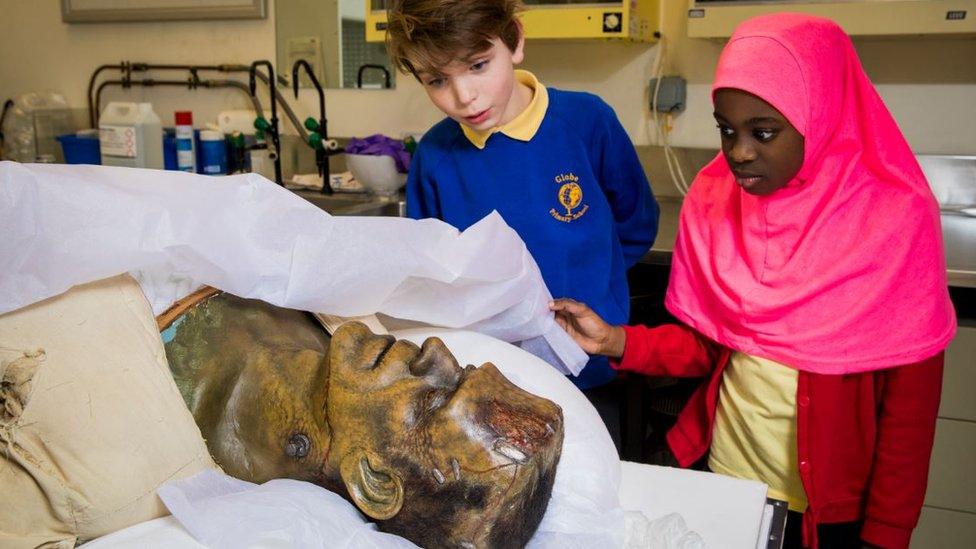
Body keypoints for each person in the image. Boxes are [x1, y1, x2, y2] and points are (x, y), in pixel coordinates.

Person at [550, 13, 956, 549]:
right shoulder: (717, 200)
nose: (738, 151)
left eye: (764, 132)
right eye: (726, 129)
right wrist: (615, 339)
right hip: (727, 478)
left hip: (829, 512)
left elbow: (909, 414)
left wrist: (886, 533)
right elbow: (710, 349)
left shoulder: (894, 221)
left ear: (822, 115)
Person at [385, 0, 660, 442]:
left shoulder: (588, 122)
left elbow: (636, 225)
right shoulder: (434, 155)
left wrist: (593, 282)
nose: (463, 97)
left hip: (590, 369)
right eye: (437, 80)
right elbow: (433, 275)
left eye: (478, 65)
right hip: (491, 384)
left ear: (514, 41)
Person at [161, 288, 564, 549]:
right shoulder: (309, 298)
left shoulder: (149, 440)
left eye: (435, 401)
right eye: (461, 369)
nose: (435, 350)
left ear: (373, 482)